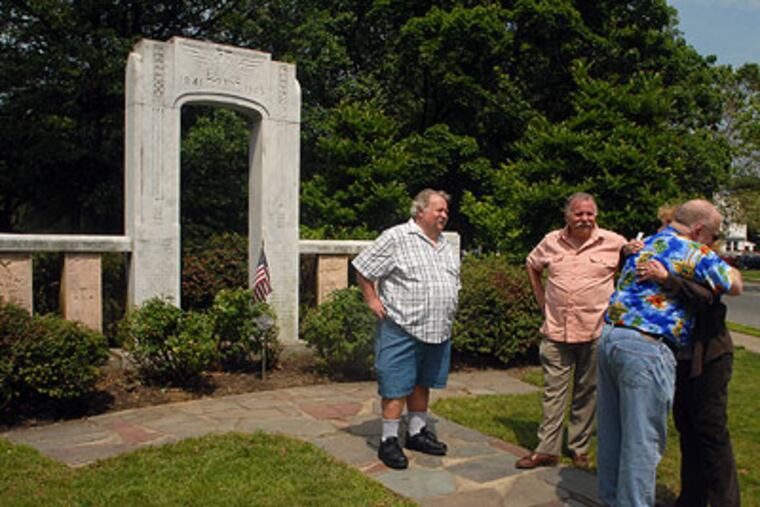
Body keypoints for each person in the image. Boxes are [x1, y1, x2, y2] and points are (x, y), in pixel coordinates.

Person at [597, 199, 743, 507]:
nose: (713, 242)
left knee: (612, 435)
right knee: (641, 442)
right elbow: (735, 284)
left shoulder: (645, 244)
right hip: (646, 347)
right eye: (713, 235)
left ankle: (612, 499)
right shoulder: (691, 251)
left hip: (610, 337)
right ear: (700, 230)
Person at [517, 192, 628, 470]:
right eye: (579, 214)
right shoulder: (551, 241)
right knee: (553, 393)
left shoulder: (615, 243)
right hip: (556, 330)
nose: (585, 219)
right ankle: (547, 449)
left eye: (590, 214)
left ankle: (579, 448)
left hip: (595, 330)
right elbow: (532, 265)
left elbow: (631, 273)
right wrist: (542, 300)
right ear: (567, 216)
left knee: (587, 392)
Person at [352, 189, 460, 470]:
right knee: (396, 384)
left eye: (446, 211)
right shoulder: (396, 237)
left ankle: (416, 433)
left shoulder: (445, 244)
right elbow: (363, 267)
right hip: (402, 326)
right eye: (439, 210)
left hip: (438, 328)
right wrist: (372, 299)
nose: (444, 215)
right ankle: (389, 440)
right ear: (420, 211)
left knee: (423, 382)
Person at [638, 233, 741, 506]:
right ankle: (692, 498)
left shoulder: (706, 263)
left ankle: (725, 501)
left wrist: (667, 279)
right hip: (681, 359)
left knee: (711, 431)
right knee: (687, 427)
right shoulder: (665, 257)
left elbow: (707, 297)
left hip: (709, 358)